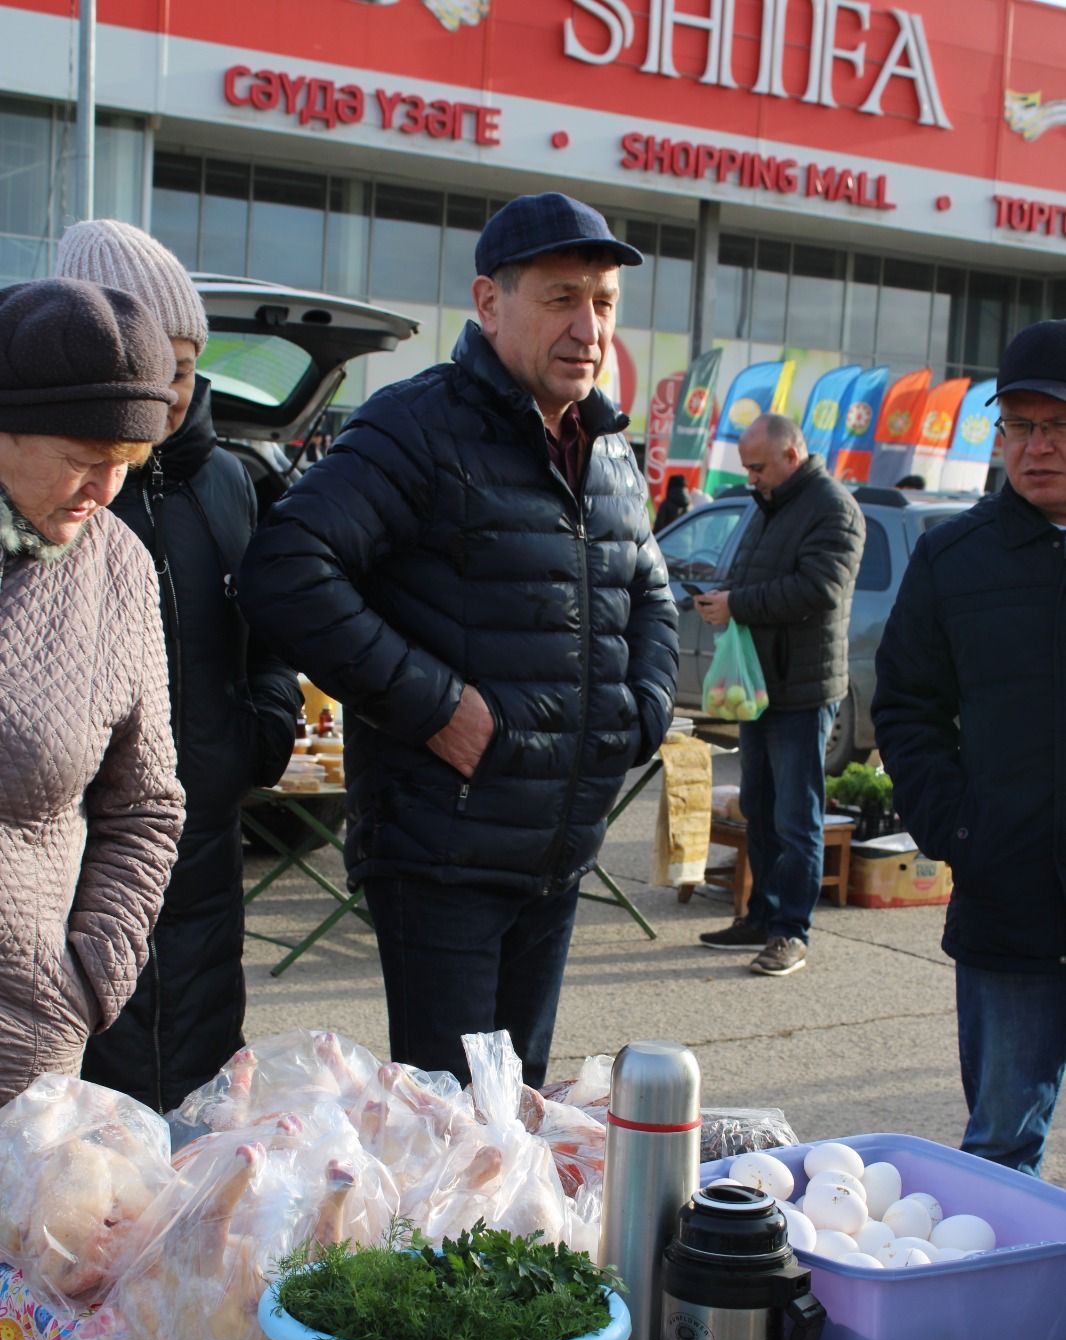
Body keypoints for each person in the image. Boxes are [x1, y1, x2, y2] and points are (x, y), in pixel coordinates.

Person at [239, 191, 678, 1087]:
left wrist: (642, 716)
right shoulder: (417, 426)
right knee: (449, 1130)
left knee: (513, 1115)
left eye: (602, 305)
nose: (587, 327)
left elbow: (652, 594)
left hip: (558, 847)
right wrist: (437, 708)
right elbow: (285, 568)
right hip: (444, 853)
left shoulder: (606, 449)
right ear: (489, 303)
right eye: (560, 298)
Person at [56, 220, 301, 1113]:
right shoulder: (56, 486)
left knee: (198, 1107)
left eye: (184, 370)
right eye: (145, 368)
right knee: (80, 1128)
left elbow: (268, 634)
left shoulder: (231, 482)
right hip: (75, 856)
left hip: (204, 851)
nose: (163, 397)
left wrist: (259, 733)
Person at [873, 321, 1066, 1176]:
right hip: (1009, 902)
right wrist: (959, 832)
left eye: (1058, 427)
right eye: (1020, 426)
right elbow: (909, 709)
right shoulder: (954, 557)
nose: (1037, 447)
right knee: (999, 1147)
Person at [0, 278, 185, 1105]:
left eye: (126, 465)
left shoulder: (118, 570)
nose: (104, 492)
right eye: (82, 459)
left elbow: (145, 806)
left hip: (29, 1045)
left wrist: (90, 977)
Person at [695, 413, 865, 976]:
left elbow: (817, 588)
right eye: (746, 468)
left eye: (758, 467)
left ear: (792, 455)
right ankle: (760, 916)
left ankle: (792, 931)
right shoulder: (770, 506)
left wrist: (737, 604)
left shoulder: (833, 507)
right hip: (760, 689)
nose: (751, 478)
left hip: (802, 690)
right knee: (761, 811)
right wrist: (726, 596)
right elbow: (759, 578)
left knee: (796, 818)